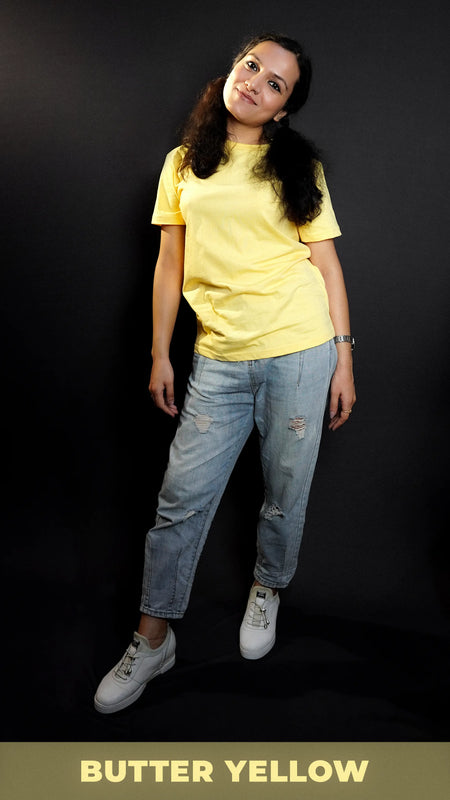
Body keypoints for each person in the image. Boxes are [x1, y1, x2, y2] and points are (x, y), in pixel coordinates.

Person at [94, 32, 356, 714]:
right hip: (217, 356)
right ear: (231, 72)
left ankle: (267, 586)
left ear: (281, 110)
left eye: (276, 84)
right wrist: (159, 351)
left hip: (301, 348)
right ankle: (153, 640)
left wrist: (344, 358)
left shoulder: (297, 167)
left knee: (284, 488)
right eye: (252, 67)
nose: (257, 83)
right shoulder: (182, 164)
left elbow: (325, 265)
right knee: (180, 499)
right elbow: (168, 264)